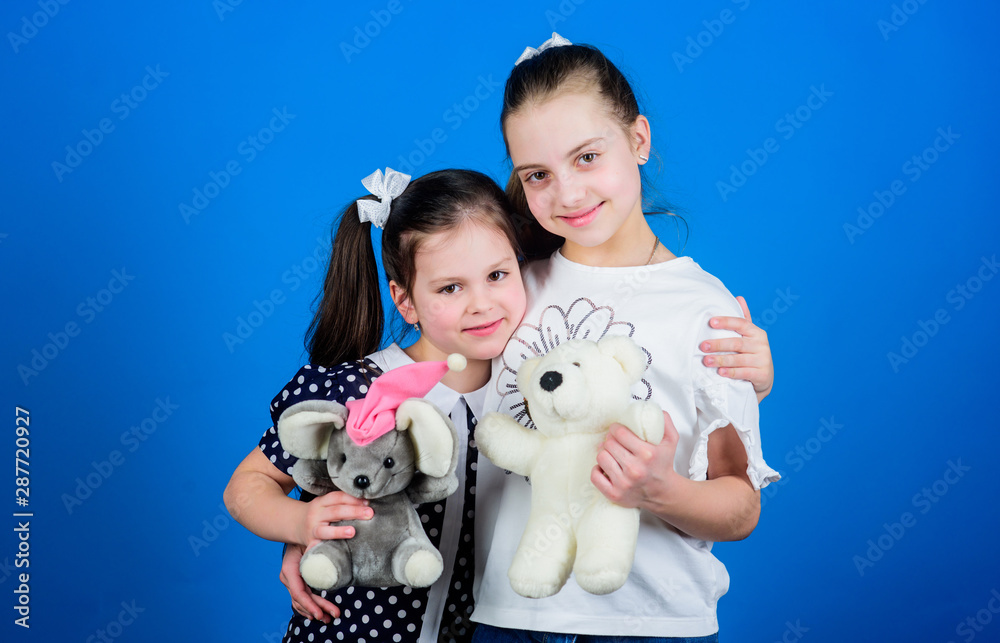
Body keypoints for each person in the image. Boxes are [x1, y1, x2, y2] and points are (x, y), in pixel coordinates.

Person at [468, 35, 780, 642]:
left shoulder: (703, 310)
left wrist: (662, 490)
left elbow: (741, 506)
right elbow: (434, 405)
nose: (568, 193)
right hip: (506, 617)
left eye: (587, 157)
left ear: (638, 140)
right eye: (538, 175)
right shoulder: (508, 289)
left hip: (649, 625)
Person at [224, 167, 528, 643]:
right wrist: (301, 524)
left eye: (496, 275)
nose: (482, 303)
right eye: (450, 287)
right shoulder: (356, 389)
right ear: (405, 302)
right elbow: (245, 487)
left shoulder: (527, 393)